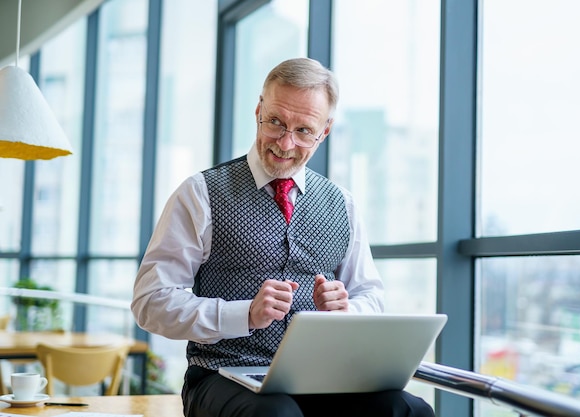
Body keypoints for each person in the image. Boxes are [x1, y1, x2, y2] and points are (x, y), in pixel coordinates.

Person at [131, 57, 434, 417]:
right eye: (275, 121)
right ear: (258, 110)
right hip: (221, 376)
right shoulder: (200, 193)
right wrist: (243, 314)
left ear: (325, 131)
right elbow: (150, 302)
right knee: (276, 415)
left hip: (322, 378)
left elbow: (370, 294)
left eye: (304, 130)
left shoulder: (343, 204)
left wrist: (346, 309)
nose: (285, 142)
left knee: (408, 408)